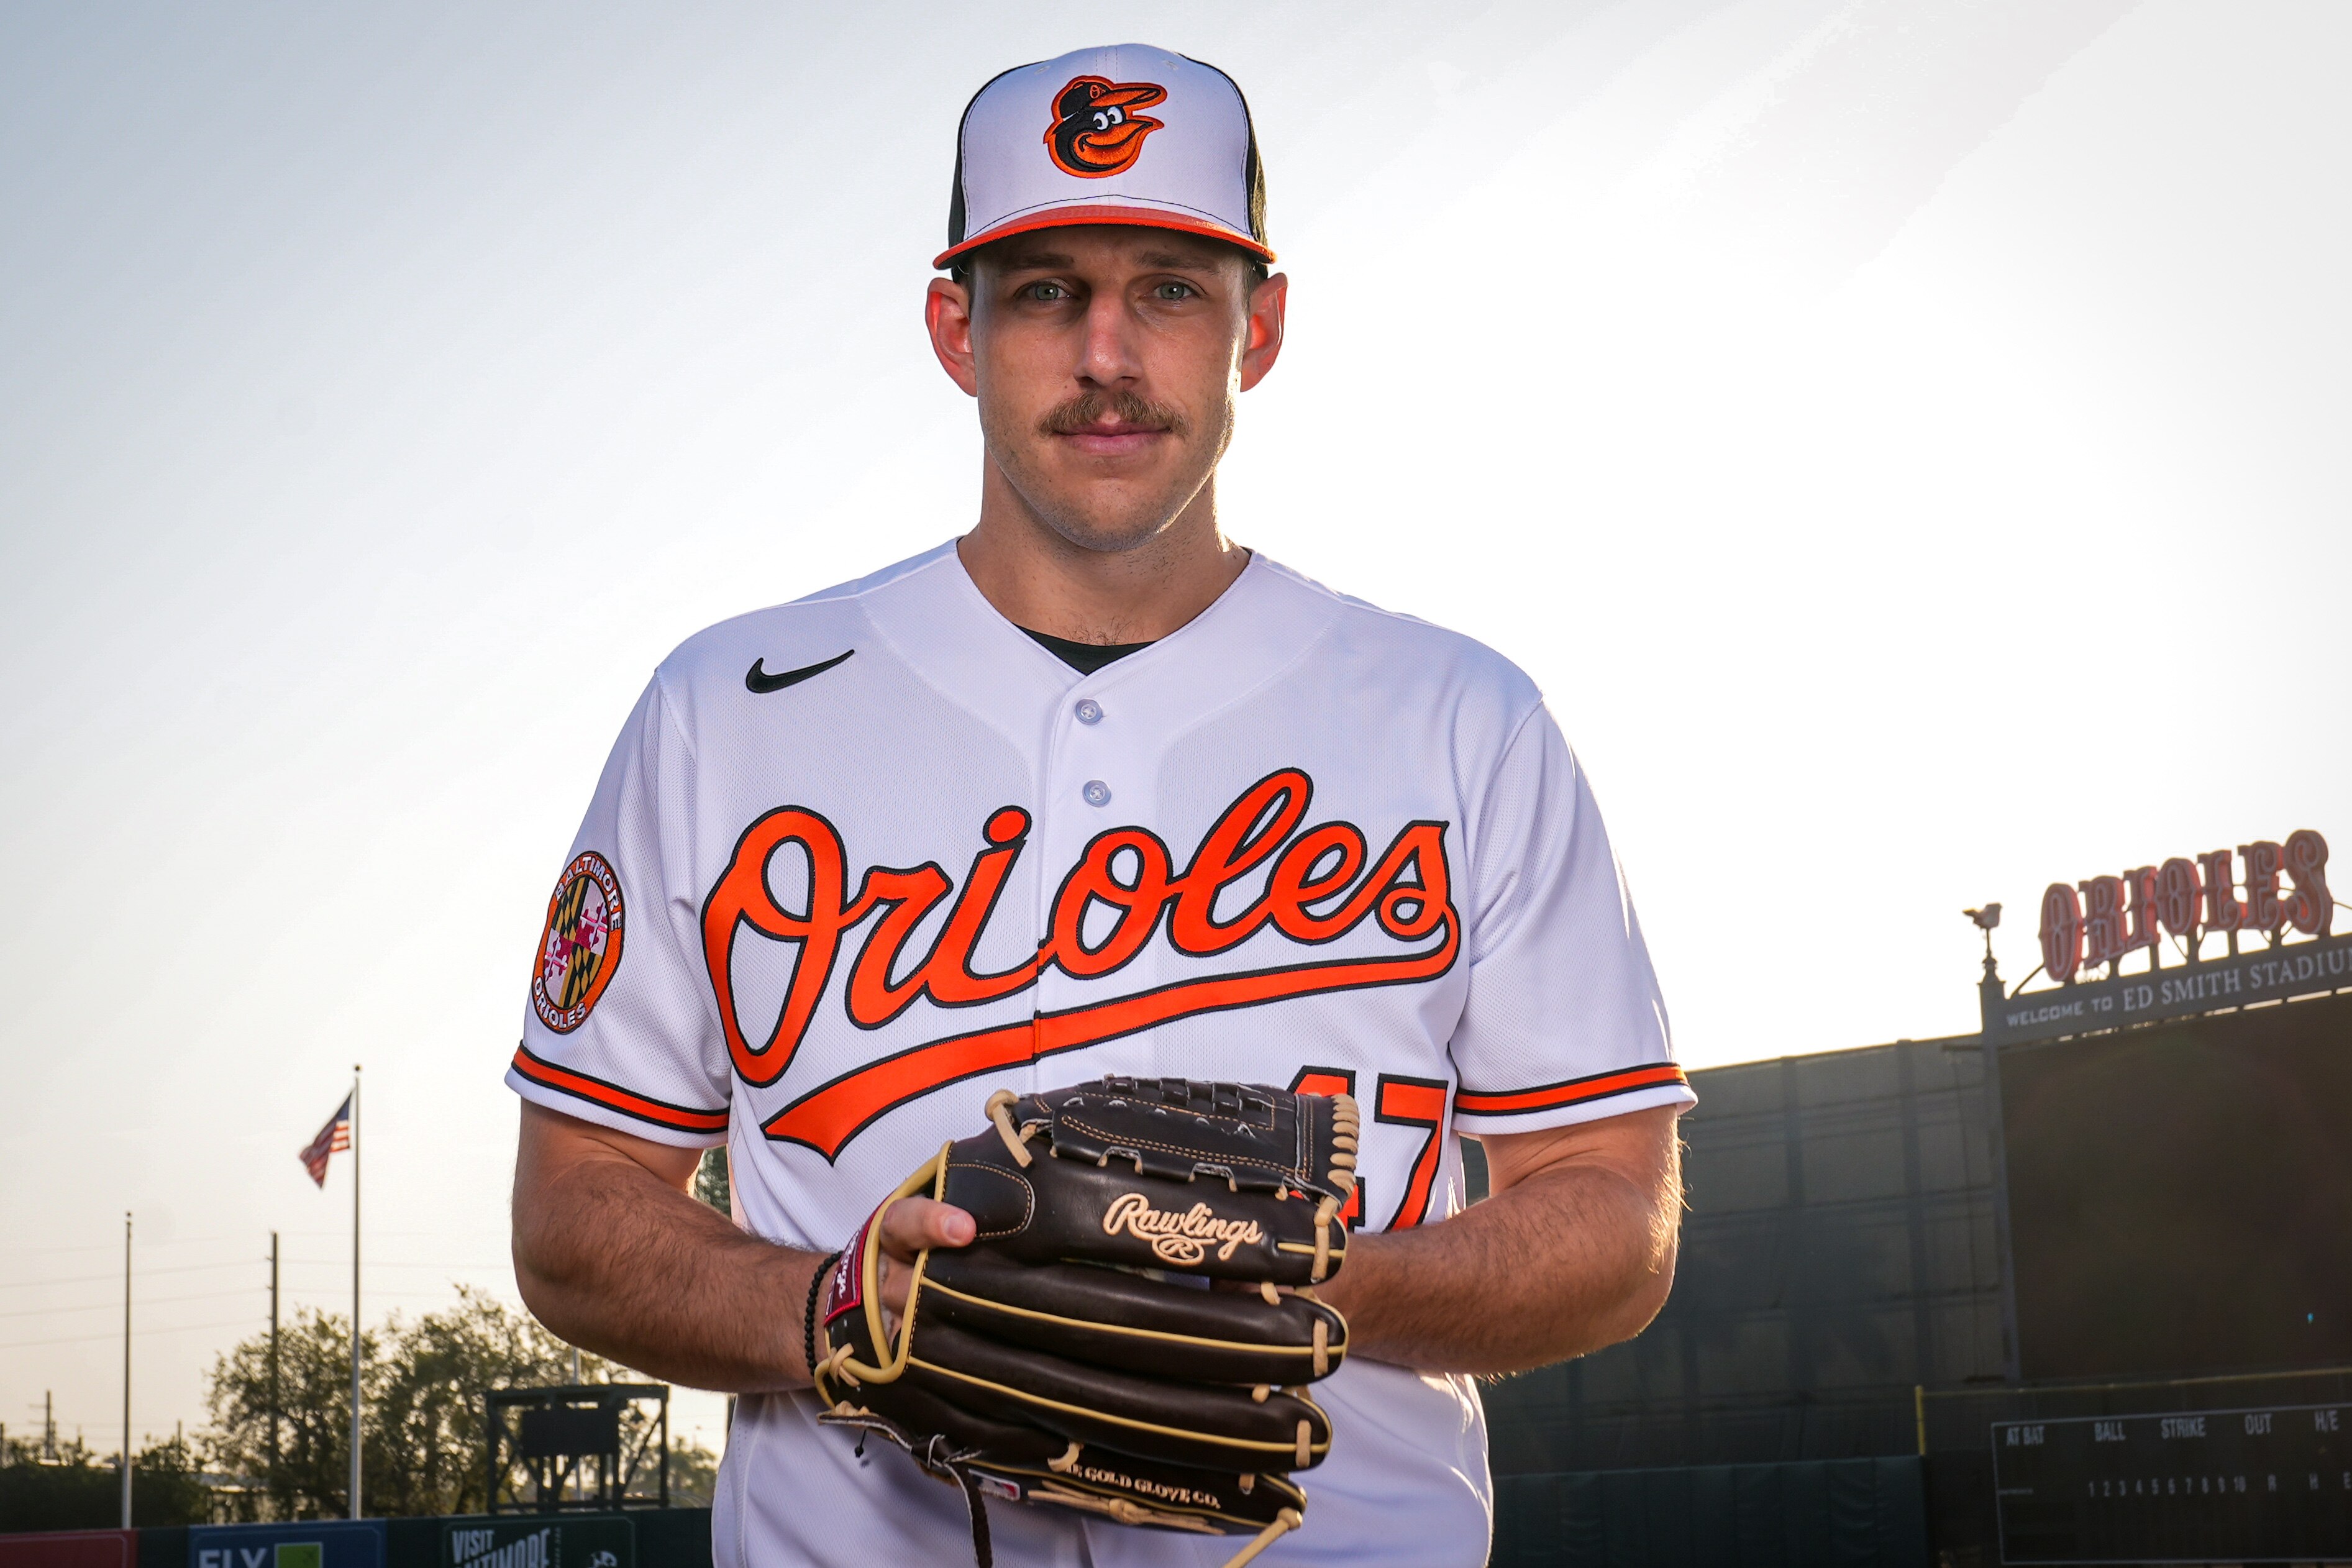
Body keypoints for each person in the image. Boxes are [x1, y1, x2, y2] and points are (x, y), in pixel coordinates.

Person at [508, 42, 1692, 1568]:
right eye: (1049, 288)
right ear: (958, 327)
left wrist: (1300, 1286)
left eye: (1173, 290)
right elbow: (574, 1211)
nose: (1109, 352)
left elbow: (1615, 1214)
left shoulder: (1465, 720)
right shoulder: (721, 713)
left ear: (1258, 326)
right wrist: (826, 1310)